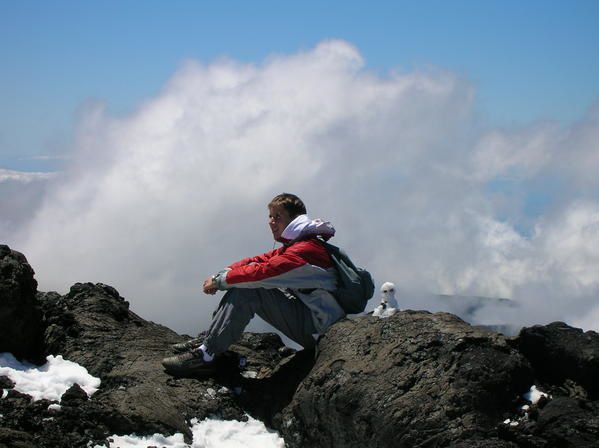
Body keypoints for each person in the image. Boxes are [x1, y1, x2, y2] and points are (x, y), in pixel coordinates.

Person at [162, 193, 346, 376]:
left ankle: (206, 356)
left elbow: (260, 273)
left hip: (319, 331)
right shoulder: (298, 245)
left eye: (278, 217)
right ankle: (210, 341)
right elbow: (257, 261)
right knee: (242, 281)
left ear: (294, 220)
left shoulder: (304, 251)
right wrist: (221, 274)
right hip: (310, 320)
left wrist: (219, 282)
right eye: (270, 216)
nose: (271, 222)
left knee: (250, 289)